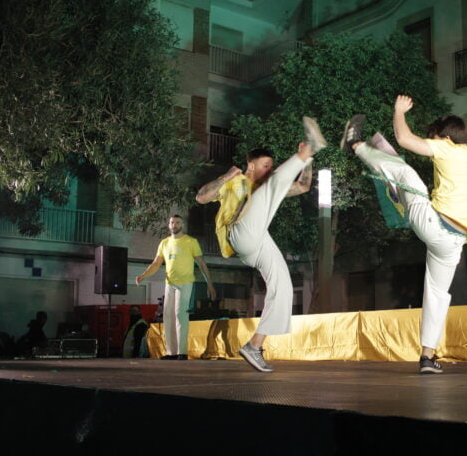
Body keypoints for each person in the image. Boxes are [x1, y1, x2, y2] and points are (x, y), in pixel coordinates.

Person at [341, 95, 467, 374]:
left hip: (434, 224)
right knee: (437, 294)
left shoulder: (447, 148)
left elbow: (405, 138)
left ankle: (355, 144)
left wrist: (399, 111)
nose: (429, 144)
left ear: (443, 138)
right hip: (454, 243)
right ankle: (427, 357)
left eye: (431, 139)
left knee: (407, 173)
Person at [195, 117, 326, 372]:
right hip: (239, 234)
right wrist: (226, 175)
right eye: (265, 166)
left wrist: (307, 162)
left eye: (271, 167)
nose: (268, 170)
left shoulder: (268, 186)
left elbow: (303, 186)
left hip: (257, 241)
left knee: (284, 287)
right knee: (270, 187)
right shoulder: (235, 182)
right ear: (250, 165)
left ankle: (254, 345)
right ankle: (309, 150)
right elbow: (201, 197)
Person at [136, 215, 215, 360]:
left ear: (182, 225)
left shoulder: (191, 242)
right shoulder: (164, 243)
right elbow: (156, 263)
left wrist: (209, 284)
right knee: (168, 317)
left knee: (180, 315)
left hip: (185, 283)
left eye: (177, 222)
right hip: (169, 283)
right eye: (172, 222)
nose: (174, 225)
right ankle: (171, 352)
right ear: (169, 225)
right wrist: (143, 275)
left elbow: (202, 264)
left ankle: (182, 352)